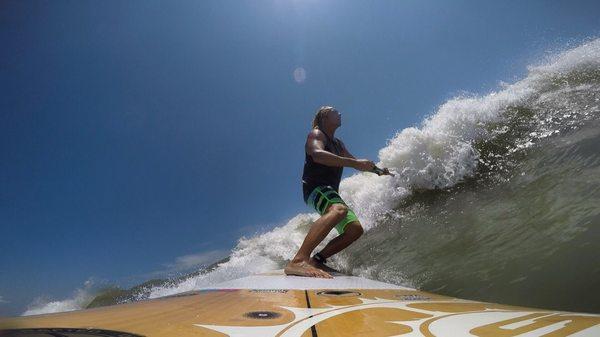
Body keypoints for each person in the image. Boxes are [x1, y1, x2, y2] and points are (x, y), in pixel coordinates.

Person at [284, 106, 393, 278]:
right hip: (316, 188)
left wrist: (379, 171)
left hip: (330, 192)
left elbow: (356, 162)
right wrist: (353, 163)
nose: (340, 113)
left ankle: (317, 260)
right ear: (325, 116)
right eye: (335, 111)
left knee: (354, 229)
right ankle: (298, 261)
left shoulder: (338, 144)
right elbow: (317, 154)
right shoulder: (317, 134)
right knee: (339, 210)